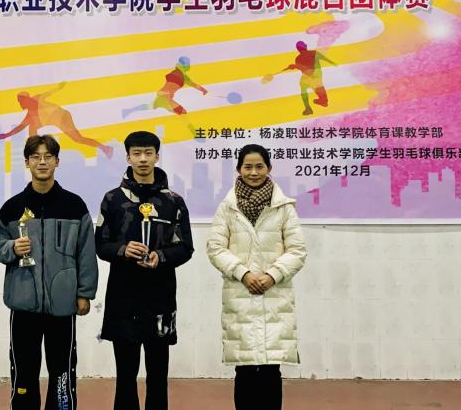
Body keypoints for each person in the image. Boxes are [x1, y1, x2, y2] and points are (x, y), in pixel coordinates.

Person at [0, 135, 99, 410]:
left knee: (62, 371)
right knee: (23, 370)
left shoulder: (74, 205)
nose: (42, 162)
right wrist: (12, 248)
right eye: (36, 157)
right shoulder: (13, 207)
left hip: (63, 304)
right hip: (23, 304)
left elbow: (86, 252)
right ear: (27, 162)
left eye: (48, 156)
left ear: (57, 162)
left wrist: (85, 293)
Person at [95, 131, 194, 410]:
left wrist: (160, 256)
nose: (142, 159)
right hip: (123, 297)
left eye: (148, 153)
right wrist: (123, 249)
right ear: (128, 157)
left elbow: (185, 248)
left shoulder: (173, 201)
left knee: (158, 376)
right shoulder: (112, 199)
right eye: (137, 153)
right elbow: (100, 245)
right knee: (125, 376)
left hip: (159, 298)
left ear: (157, 156)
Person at [206, 145, 307, 410]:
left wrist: (273, 275)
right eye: (247, 167)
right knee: (245, 370)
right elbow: (216, 249)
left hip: (275, 296)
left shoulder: (284, 207)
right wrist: (244, 273)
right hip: (240, 295)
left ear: (269, 168)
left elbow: (297, 250)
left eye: (259, 166)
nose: (253, 172)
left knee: (272, 370)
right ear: (239, 169)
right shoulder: (227, 207)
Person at [0, 81, 113, 158]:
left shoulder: (37, 99)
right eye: (19, 101)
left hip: (63, 117)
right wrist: (6, 135)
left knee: (78, 139)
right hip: (53, 120)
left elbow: (48, 93)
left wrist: (59, 87)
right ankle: (36, 152)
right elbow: (19, 127)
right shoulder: (30, 116)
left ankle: (106, 148)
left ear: (26, 99)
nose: (20, 104)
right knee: (32, 129)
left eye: (21, 101)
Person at [121, 56, 208, 119]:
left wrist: (203, 90)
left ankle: (128, 111)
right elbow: (193, 85)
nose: (189, 66)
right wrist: (203, 90)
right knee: (182, 112)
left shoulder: (179, 74)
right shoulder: (179, 75)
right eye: (188, 64)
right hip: (165, 97)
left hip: (163, 96)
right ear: (185, 66)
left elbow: (193, 84)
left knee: (149, 106)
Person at [283, 41, 336, 116]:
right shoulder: (313, 52)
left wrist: (294, 66)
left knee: (304, 88)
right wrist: (333, 63)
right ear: (306, 46)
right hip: (317, 74)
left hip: (308, 75)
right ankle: (323, 100)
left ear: (298, 49)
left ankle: (308, 108)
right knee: (317, 86)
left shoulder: (298, 58)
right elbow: (324, 58)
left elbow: (302, 69)